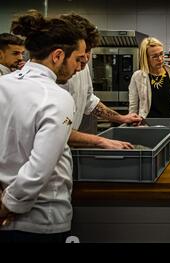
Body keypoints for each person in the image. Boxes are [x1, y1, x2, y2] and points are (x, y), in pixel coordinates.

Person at [0, 10, 85, 242]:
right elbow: (39, 169)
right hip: (40, 220)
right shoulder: (56, 97)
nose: (79, 67)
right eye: (77, 59)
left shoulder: (3, 84)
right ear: (57, 56)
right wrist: (6, 207)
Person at [59, 13, 141, 149]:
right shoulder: (44, 83)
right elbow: (57, 131)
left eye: (89, 51)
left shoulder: (82, 69)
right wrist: (100, 141)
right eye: (82, 52)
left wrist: (121, 118)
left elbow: (90, 101)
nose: (85, 59)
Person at [128, 37, 170, 119]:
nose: (160, 59)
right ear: (146, 58)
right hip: (148, 126)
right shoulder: (138, 77)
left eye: (161, 54)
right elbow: (133, 107)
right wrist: (134, 123)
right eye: (154, 56)